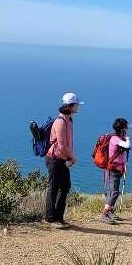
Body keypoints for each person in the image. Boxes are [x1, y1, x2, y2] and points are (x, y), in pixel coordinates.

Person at [45, 92, 82, 229]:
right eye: (76, 104)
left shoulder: (69, 120)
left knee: (65, 187)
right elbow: (61, 144)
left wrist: (69, 157)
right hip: (54, 159)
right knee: (54, 188)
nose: (78, 107)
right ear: (70, 106)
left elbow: (67, 143)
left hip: (62, 158)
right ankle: (50, 219)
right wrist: (72, 157)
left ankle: (59, 218)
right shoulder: (60, 122)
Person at [100, 118, 131, 224]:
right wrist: (127, 139)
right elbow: (127, 145)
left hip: (117, 169)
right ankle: (104, 214)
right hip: (112, 169)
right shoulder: (115, 139)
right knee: (113, 192)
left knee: (112, 191)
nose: (127, 129)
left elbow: (123, 153)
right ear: (122, 129)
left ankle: (110, 212)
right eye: (126, 127)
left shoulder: (119, 138)